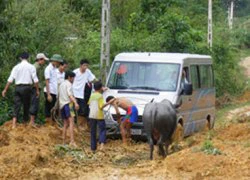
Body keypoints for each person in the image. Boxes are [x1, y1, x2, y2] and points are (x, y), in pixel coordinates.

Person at [2, 52, 39, 129]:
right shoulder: (31, 67)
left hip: (18, 88)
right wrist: (37, 90)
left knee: (16, 105)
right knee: (26, 105)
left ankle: (14, 124)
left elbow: (10, 79)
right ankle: (25, 123)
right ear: (28, 58)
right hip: (27, 88)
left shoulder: (16, 67)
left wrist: (5, 89)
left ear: (20, 58)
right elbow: (35, 80)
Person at [72, 59, 96, 130]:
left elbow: (93, 79)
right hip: (74, 93)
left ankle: (81, 125)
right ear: (81, 65)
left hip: (82, 93)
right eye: (84, 65)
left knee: (83, 110)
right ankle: (74, 125)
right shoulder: (75, 72)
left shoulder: (88, 72)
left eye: (87, 66)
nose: (85, 67)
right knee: (74, 109)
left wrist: (101, 86)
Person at [58, 71, 79, 147]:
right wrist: (75, 103)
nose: (73, 80)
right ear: (69, 77)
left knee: (65, 123)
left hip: (62, 105)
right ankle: (72, 141)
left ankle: (63, 141)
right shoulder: (69, 84)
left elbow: (59, 96)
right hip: (68, 104)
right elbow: (70, 95)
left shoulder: (61, 84)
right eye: (73, 78)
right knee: (71, 122)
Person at [29, 53, 49, 126]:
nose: (44, 61)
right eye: (44, 60)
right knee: (34, 103)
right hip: (34, 87)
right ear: (40, 59)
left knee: (35, 103)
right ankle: (31, 122)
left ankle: (32, 121)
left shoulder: (40, 67)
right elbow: (34, 79)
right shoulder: (35, 67)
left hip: (37, 87)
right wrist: (37, 89)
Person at [44, 54, 63, 124]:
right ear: (54, 61)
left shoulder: (55, 69)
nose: (58, 64)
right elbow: (47, 82)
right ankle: (48, 123)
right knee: (48, 108)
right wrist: (48, 94)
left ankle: (52, 122)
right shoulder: (48, 69)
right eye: (58, 62)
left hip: (54, 91)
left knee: (53, 108)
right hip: (50, 91)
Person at [88, 81, 106, 152]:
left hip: (91, 115)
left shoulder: (92, 95)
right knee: (102, 129)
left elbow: (89, 104)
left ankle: (93, 148)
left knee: (93, 132)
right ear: (100, 88)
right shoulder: (100, 96)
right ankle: (101, 145)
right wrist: (108, 103)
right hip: (99, 115)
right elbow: (101, 106)